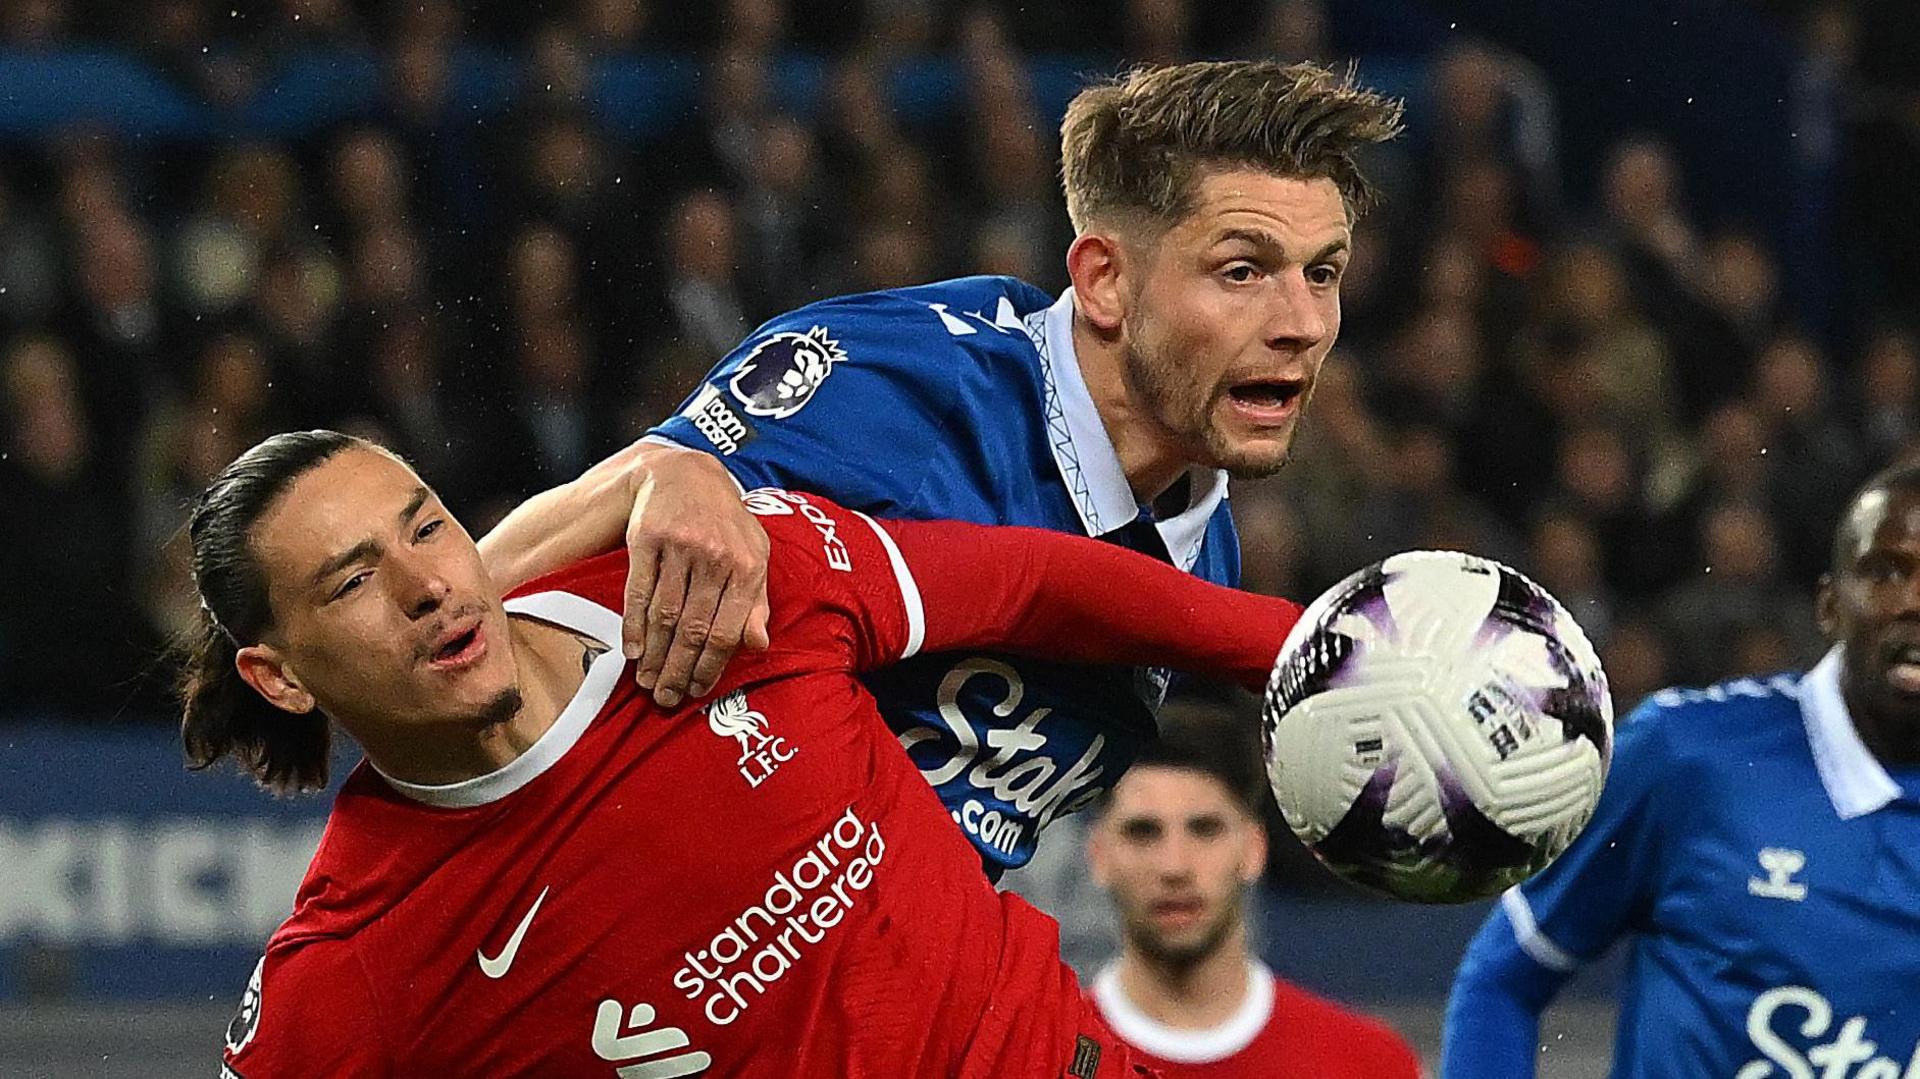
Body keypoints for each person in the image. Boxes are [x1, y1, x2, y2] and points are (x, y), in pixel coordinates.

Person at [479, 60, 1404, 876]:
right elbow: (489, 588)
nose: (1303, 324)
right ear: (1104, 281)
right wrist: (655, 471)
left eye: (1322, 273)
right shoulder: (889, 384)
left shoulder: (1205, 551)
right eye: (1243, 271)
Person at [185, 430, 1306, 1078]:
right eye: (351, 579)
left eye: (426, 524)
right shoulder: (349, 973)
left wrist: (1313, 647)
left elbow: (1032, 584)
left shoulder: (705, 574)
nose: (426, 582)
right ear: (279, 675)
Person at [1442, 463, 1920, 1077]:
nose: (1913, 602)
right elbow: (1503, 979)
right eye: (1886, 571)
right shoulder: (1691, 756)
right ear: (1829, 605)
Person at [1086, 712, 1422, 1078]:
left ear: (1254, 849)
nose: (1174, 867)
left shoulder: (1368, 1064)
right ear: (1099, 854)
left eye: (1205, 829)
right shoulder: (1037, 1055)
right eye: (1143, 832)